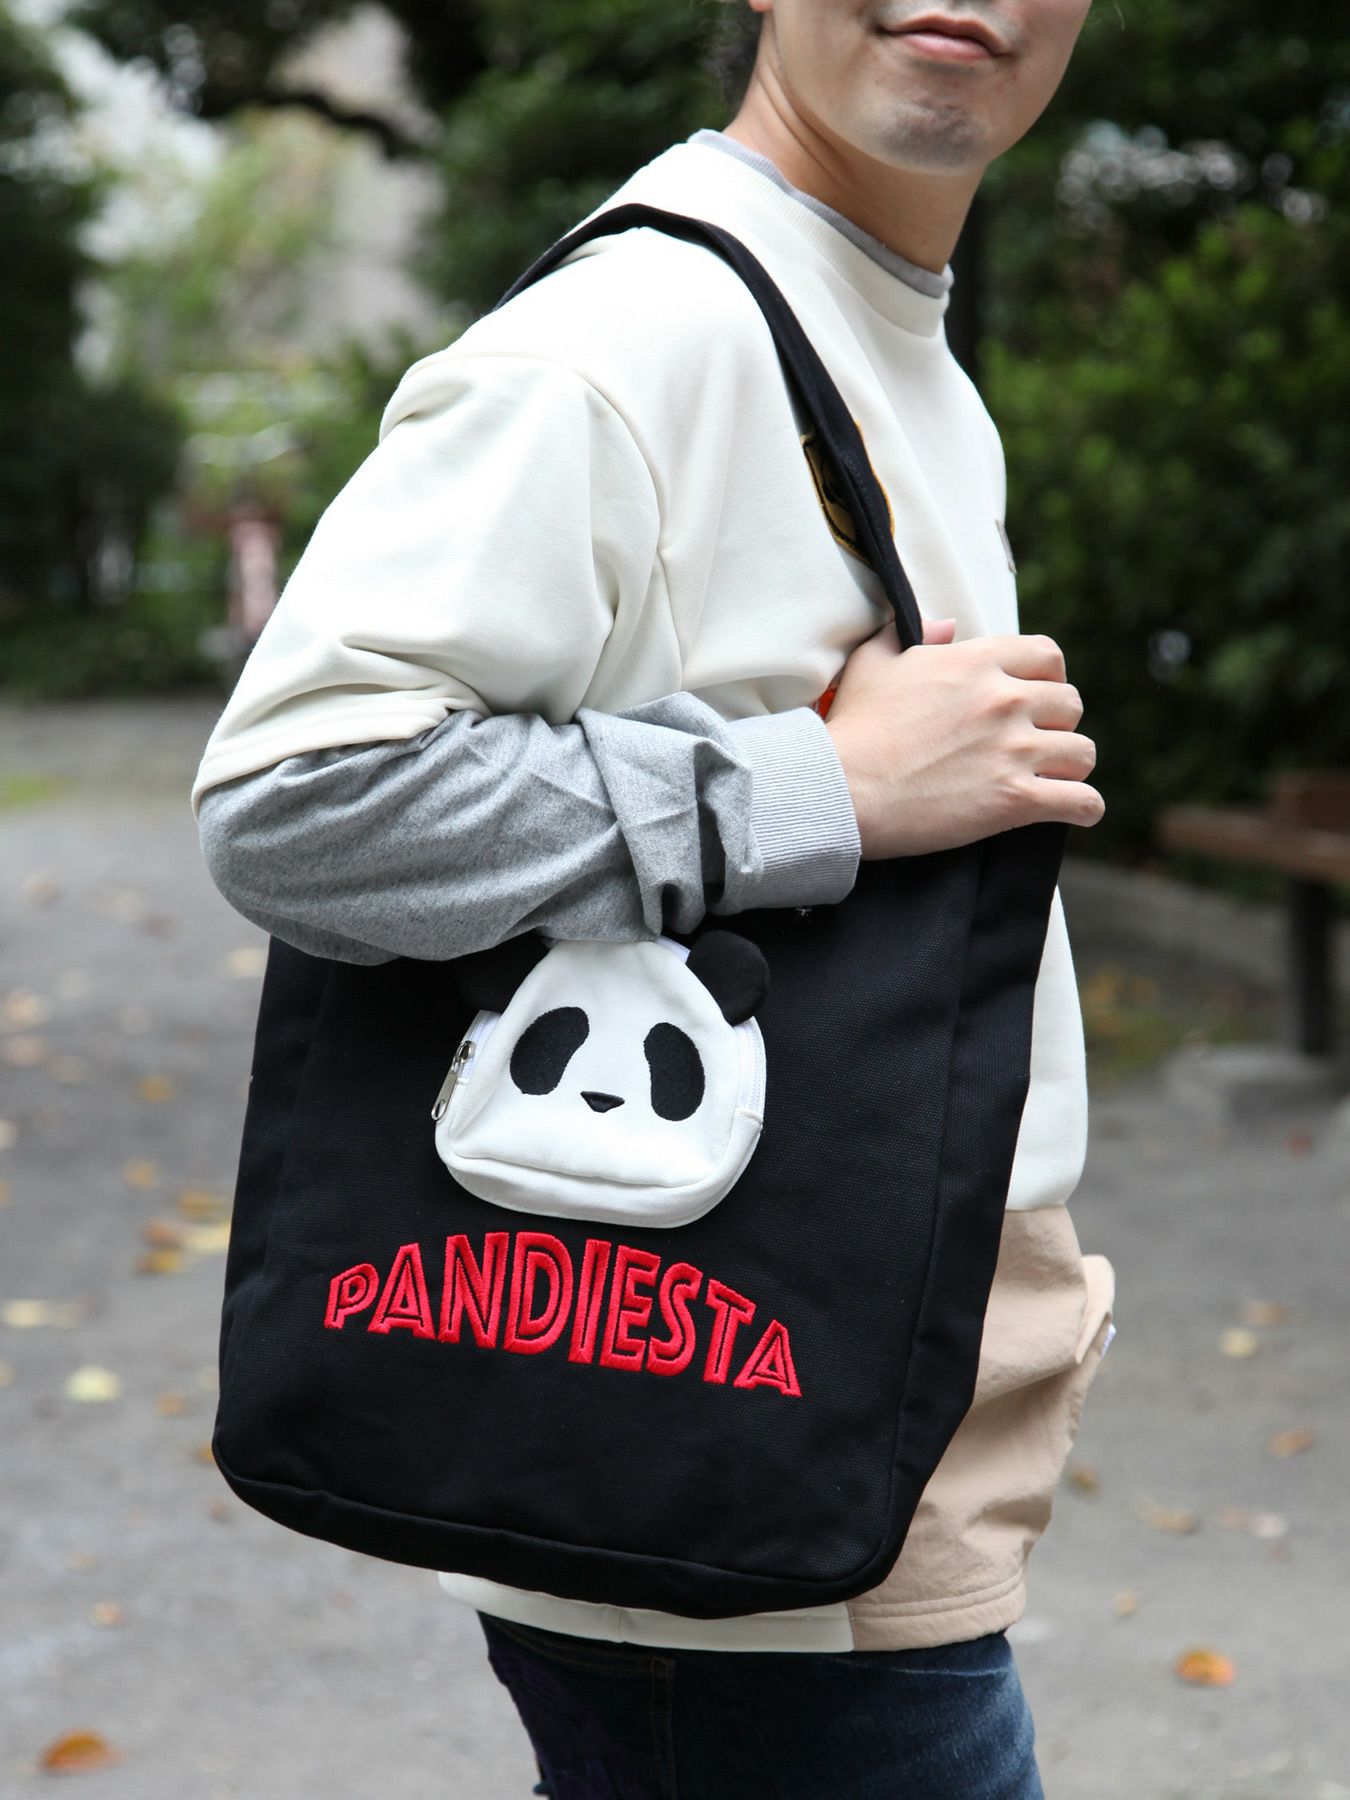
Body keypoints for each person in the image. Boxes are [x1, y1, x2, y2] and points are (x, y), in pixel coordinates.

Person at [192, 0, 1116, 1792]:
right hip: (738, 1496)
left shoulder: (864, 321)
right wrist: (818, 788)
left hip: (848, 1435)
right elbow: (295, 804)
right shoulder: (642, 334)